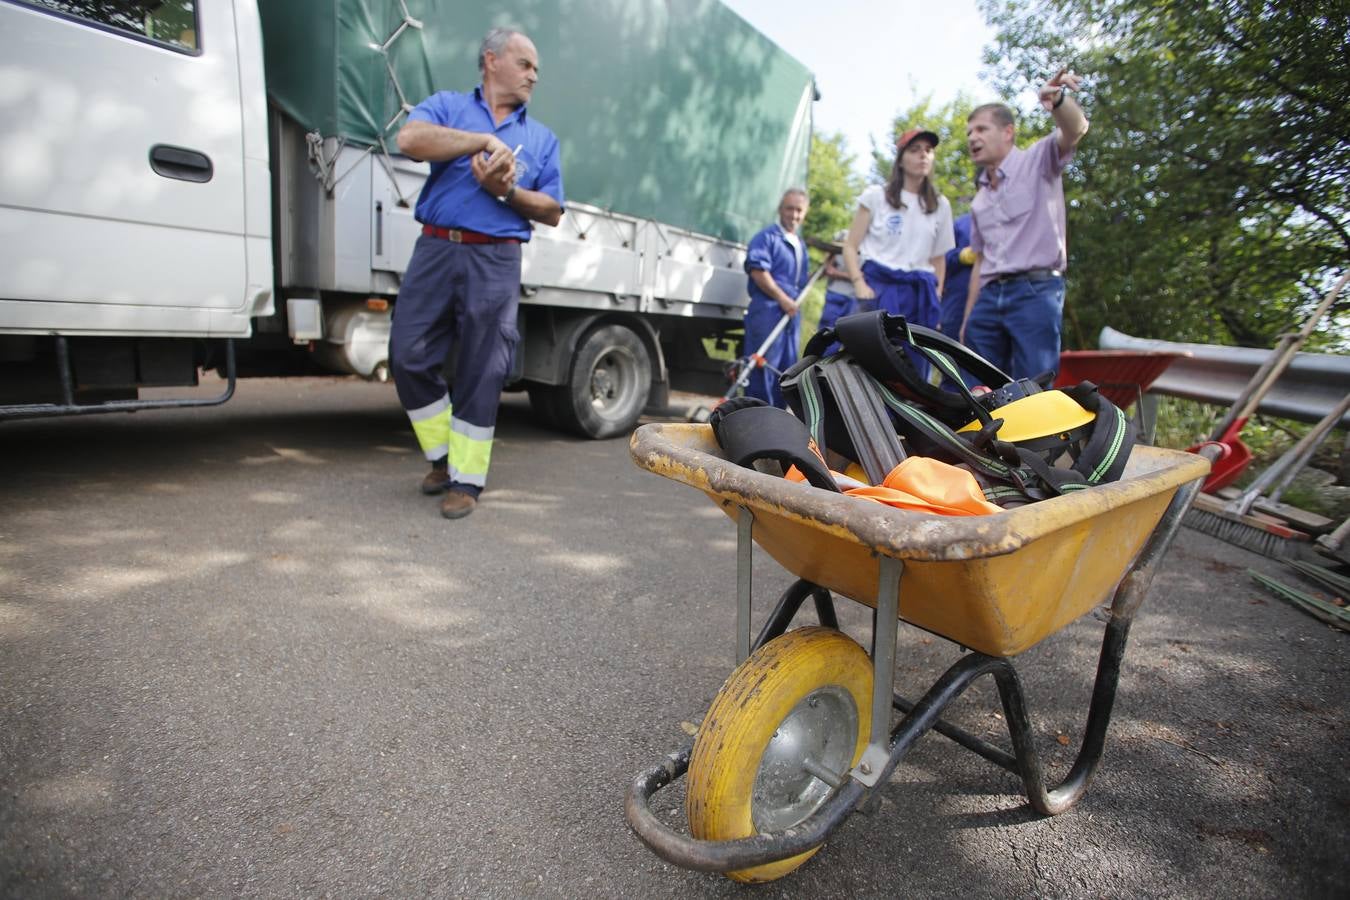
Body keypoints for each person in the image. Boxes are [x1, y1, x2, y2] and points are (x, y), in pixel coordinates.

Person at [390, 28, 565, 519]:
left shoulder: (542, 138)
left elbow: (552, 209)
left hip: (496, 258)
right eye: (526, 63)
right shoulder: (448, 106)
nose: (535, 74)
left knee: (482, 367)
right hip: (437, 249)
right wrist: (483, 140)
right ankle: (443, 458)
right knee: (407, 354)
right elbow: (409, 139)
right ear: (491, 60)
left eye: (536, 68)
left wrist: (505, 193)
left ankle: (466, 480)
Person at [960, 71, 1089, 380]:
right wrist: (968, 318)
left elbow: (1076, 129)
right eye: (969, 133)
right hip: (989, 297)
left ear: (1008, 132)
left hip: (1035, 290)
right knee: (975, 387)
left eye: (981, 129)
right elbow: (980, 260)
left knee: (1034, 385)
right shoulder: (979, 198)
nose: (972, 138)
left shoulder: (1038, 161)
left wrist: (1058, 101)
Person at [841, 128, 955, 344]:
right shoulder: (876, 196)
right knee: (869, 360)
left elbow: (938, 258)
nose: (923, 155)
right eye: (915, 150)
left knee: (913, 365)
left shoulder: (941, 205)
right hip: (878, 287)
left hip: (919, 293)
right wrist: (859, 284)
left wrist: (936, 294)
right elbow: (850, 246)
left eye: (929, 150)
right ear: (901, 160)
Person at [742, 189, 810, 408]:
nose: (794, 214)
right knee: (762, 367)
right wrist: (782, 299)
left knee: (786, 369)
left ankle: (776, 422)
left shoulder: (800, 244)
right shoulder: (766, 238)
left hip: (790, 314)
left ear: (805, 213)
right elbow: (758, 272)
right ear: (780, 209)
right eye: (789, 208)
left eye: (799, 210)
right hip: (768, 311)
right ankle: (755, 417)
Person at [939, 212, 975, 337]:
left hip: (990, 296)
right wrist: (962, 256)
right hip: (958, 297)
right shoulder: (962, 224)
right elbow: (941, 257)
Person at [818, 228, 859, 332]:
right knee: (827, 332)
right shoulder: (842, 235)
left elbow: (862, 277)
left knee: (847, 335)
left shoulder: (867, 242)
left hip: (854, 298)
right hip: (835, 294)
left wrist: (837, 274)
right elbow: (827, 266)